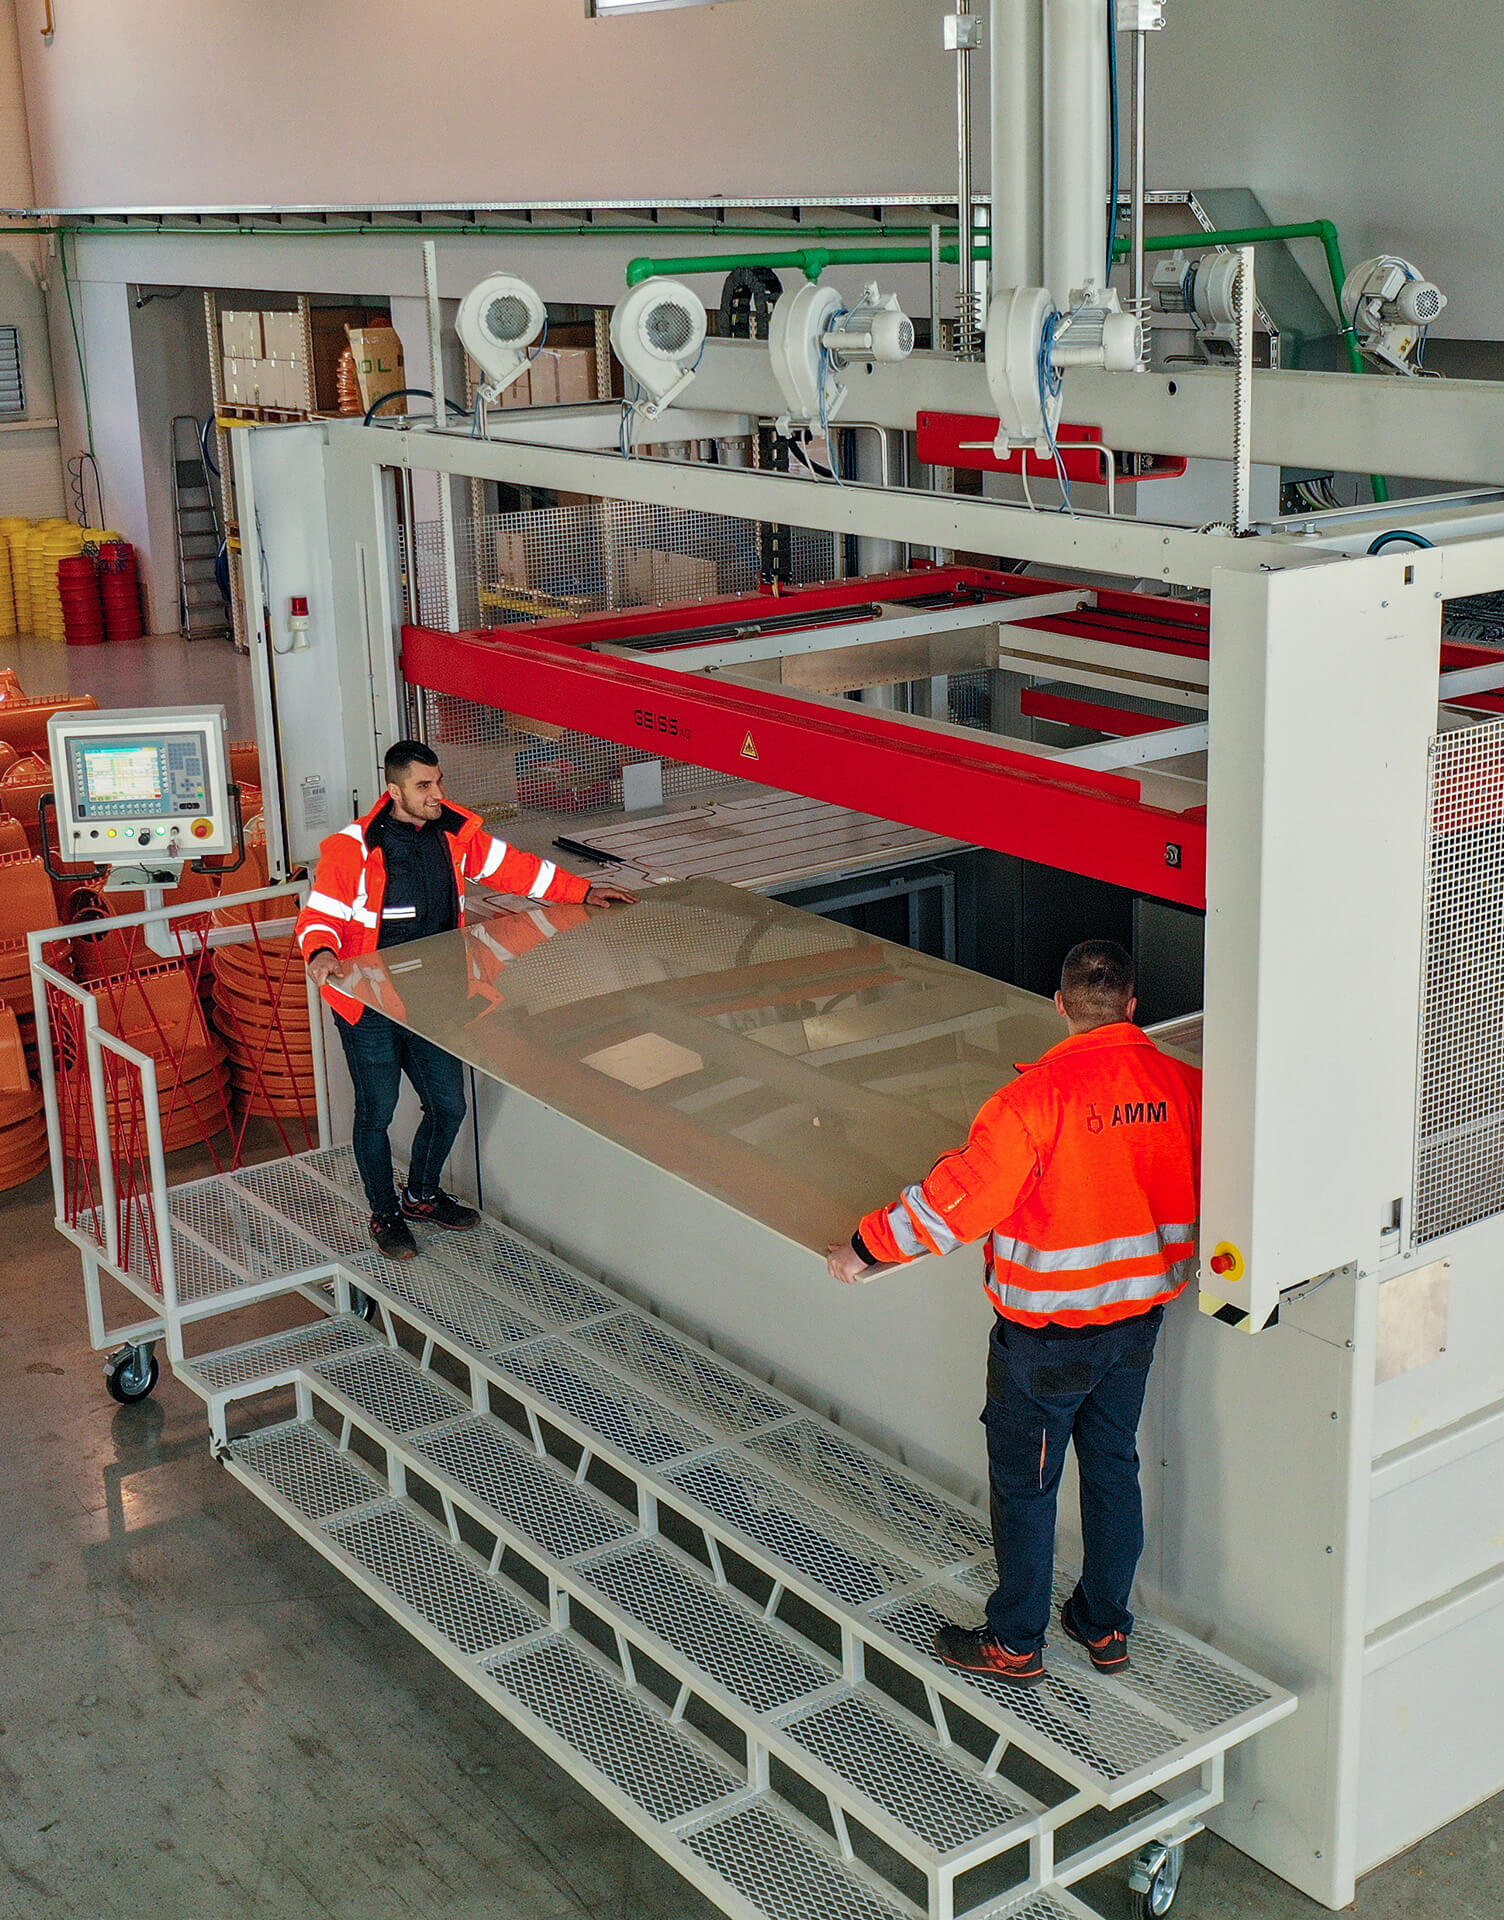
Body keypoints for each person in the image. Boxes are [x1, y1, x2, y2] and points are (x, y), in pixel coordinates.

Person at [827, 940, 1201, 1687]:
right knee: (1113, 1469)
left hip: (1046, 1343)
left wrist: (866, 1248)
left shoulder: (1032, 1103)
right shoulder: (1186, 1085)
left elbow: (955, 1206)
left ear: (1059, 1006)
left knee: (1027, 1491)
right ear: (1133, 1009)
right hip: (1137, 1329)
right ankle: (1104, 1627)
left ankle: (1016, 1642)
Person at [295, 740, 636, 1260]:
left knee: (448, 1104)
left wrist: (582, 892)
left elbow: (518, 870)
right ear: (395, 791)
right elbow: (321, 915)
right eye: (424, 786)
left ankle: (423, 1196)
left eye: (439, 783)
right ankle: (385, 1215)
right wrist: (320, 951)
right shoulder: (353, 848)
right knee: (377, 1111)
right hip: (371, 1005)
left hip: (437, 997)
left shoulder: (455, 831)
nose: (437, 794)